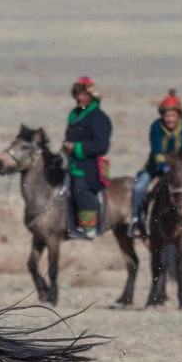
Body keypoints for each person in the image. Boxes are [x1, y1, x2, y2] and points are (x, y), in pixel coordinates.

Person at [129, 90, 182, 237]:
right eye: (166, 115)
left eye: (172, 115)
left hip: (181, 167)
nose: (169, 119)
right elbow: (156, 149)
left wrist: (180, 167)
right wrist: (163, 166)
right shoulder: (156, 127)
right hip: (157, 167)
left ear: (179, 115)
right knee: (138, 187)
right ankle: (136, 220)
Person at [63, 76, 112, 240]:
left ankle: (90, 226)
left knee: (79, 187)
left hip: (89, 166)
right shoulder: (74, 115)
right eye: (77, 94)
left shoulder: (99, 118)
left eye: (83, 94)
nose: (79, 98)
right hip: (72, 162)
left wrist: (76, 148)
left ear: (92, 97)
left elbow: (102, 146)